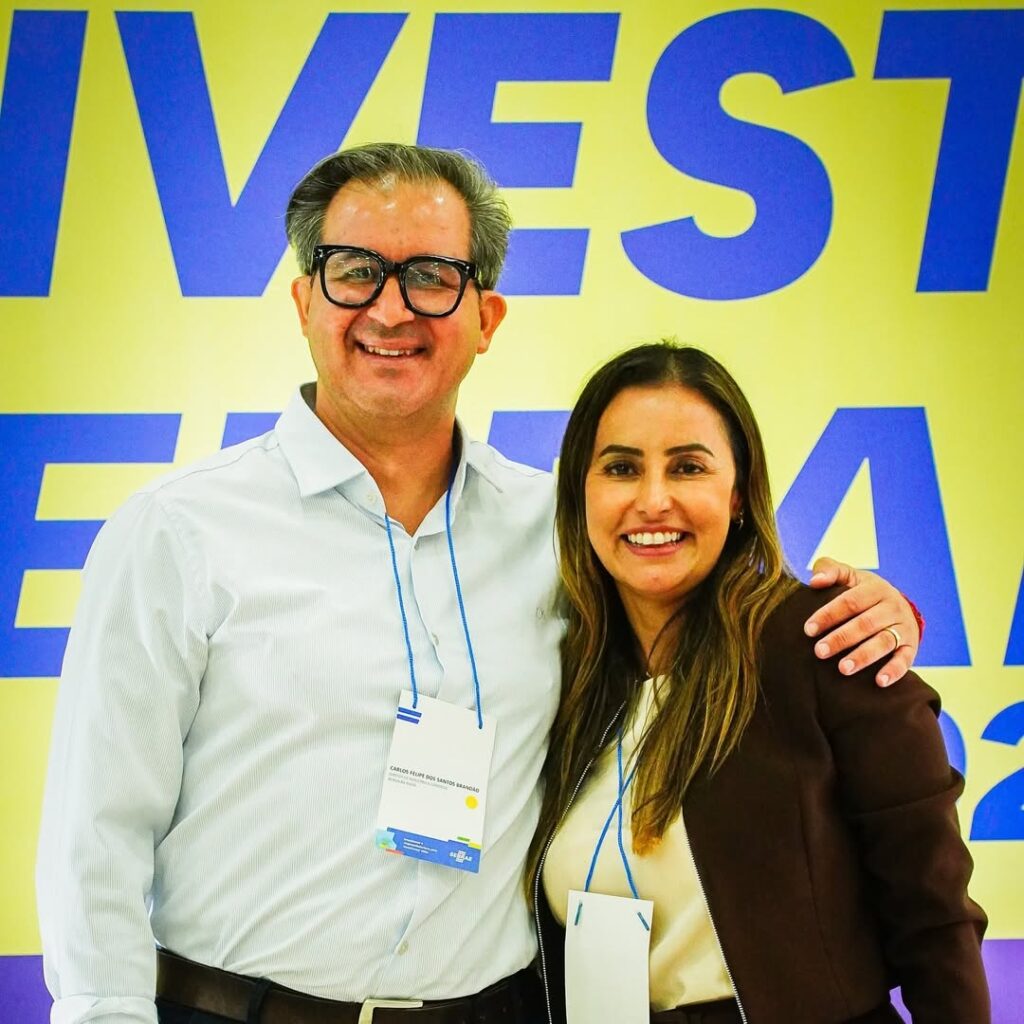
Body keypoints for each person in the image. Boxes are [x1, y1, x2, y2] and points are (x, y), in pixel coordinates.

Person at [37, 144, 922, 1024]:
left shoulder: (562, 530)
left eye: (432, 276)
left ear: (487, 316)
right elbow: (98, 830)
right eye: (354, 271)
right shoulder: (179, 533)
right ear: (304, 301)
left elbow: (712, 610)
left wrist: (882, 611)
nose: (391, 307)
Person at [530, 343, 988, 1023]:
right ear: (581, 492)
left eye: (688, 467)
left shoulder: (829, 646)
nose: (652, 500)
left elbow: (936, 919)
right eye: (622, 468)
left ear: (739, 494)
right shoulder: (560, 669)